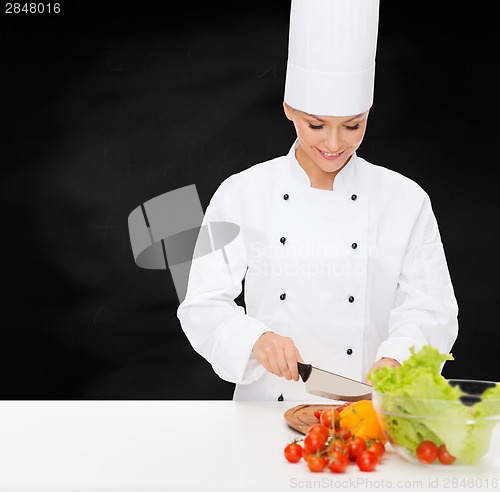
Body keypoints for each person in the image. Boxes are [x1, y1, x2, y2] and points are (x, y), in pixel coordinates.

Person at [177, 0, 458, 401]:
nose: (333, 144)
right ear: (289, 109)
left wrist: (398, 358)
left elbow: (433, 309)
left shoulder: (405, 200)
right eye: (315, 125)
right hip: (265, 413)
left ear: (368, 112)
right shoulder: (242, 193)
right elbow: (201, 306)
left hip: (365, 412)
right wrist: (256, 338)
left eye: (352, 126)